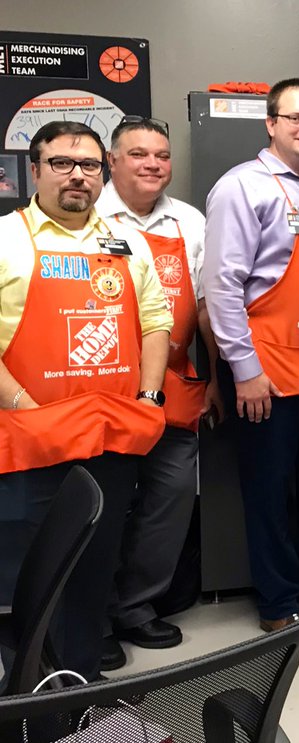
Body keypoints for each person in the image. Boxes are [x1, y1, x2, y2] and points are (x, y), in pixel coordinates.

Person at [0, 121, 171, 681]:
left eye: (90, 165)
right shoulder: (8, 237)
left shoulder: (127, 241)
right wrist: (25, 407)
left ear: (103, 174)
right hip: (32, 441)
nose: (78, 175)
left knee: (96, 565)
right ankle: (31, 694)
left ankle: (80, 683)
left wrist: (149, 397)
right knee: (31, 573)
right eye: (62, 163)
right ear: (35, 170)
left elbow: (155, 321)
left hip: (111, 437)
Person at [203, 78, 299, 650]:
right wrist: (243, 370)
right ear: (270, 124)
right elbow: (221, 287)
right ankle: (279, 604)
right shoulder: (243, 188)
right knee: (270, 492)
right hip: (266, 372)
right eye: (295, 118)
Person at [95, 115, 220, 671]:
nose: (153, 165)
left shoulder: (189, 221)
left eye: (162, 155)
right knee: (103, 507)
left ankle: (135, 607)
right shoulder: (87, 217)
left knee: (166, 503)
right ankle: (90, 616)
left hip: (175, 387)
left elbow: (208, 306)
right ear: (113, 161)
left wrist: (214, 376)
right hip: (106, 389)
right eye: (139, 154)